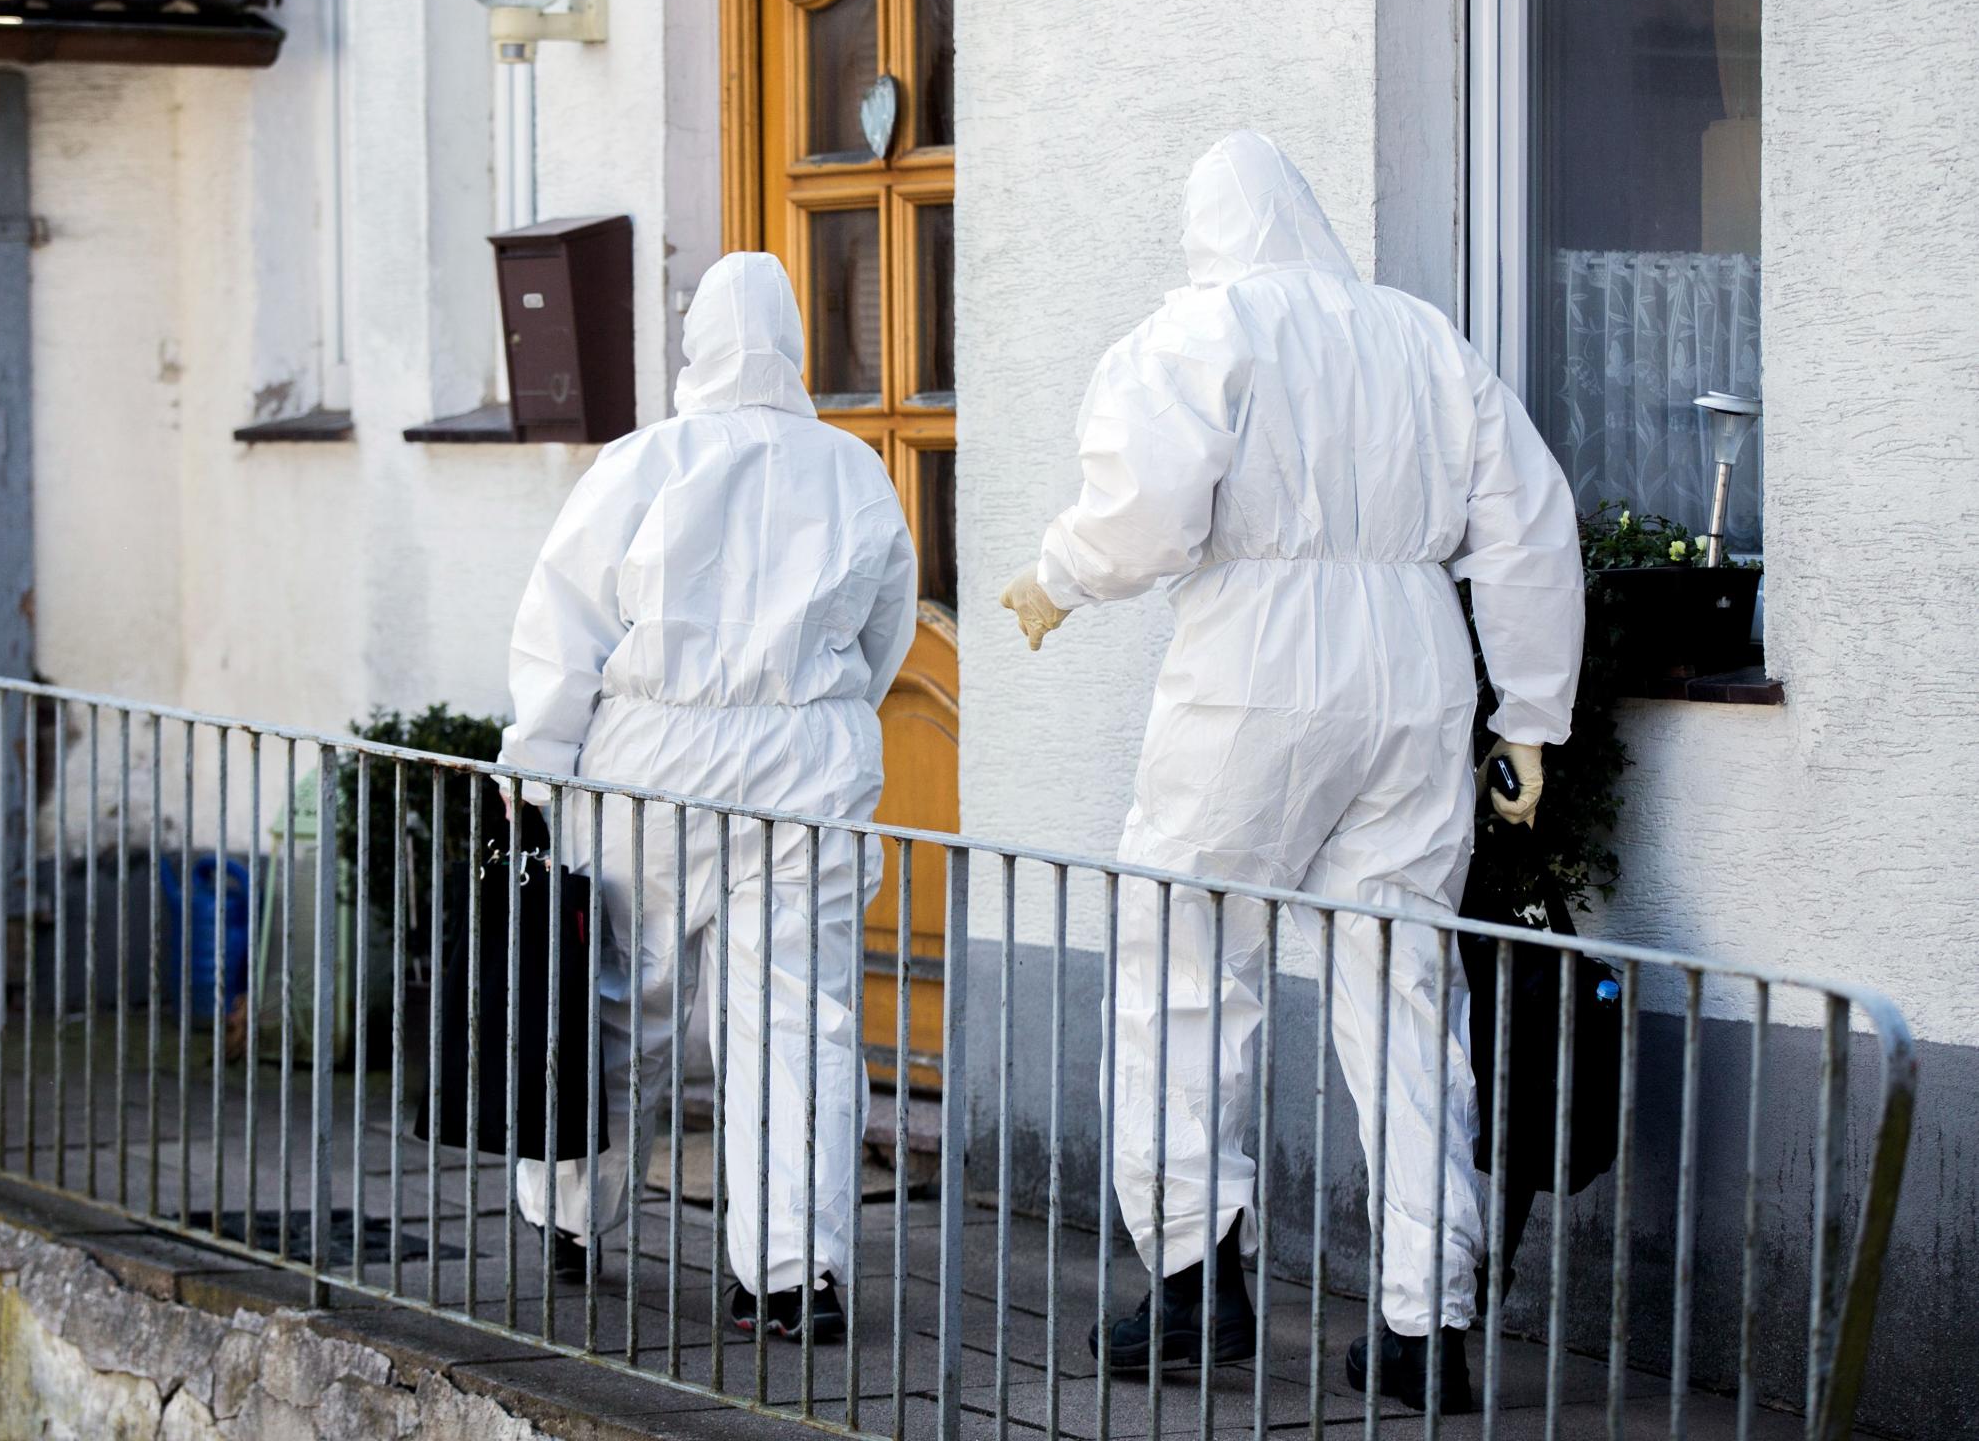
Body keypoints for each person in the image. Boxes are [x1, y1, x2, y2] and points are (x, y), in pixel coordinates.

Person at [998, 131, 1581, 1410]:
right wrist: (1530, 713)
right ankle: (1426, 1326)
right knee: (1407, 983)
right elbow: (1528, 525)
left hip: (1252, 656)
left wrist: (1057, 576)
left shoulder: (1207, 326)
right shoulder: (1421, 337)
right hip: (1416, 660)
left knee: (1184, 957)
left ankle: (1195, 1278)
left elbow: (1145, 512)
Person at [501, 249, 919, 1343]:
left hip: (654, 758)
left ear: (694, 345)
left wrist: (534, 765)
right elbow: (885, 630)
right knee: (799, 1015)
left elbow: (565, 627)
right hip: (805, 761)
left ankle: (571, 1216)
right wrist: (810, 710)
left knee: (621, 1000)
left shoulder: (642, 464)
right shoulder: (851, 469)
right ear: (791, 344)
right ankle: (792, 1273)